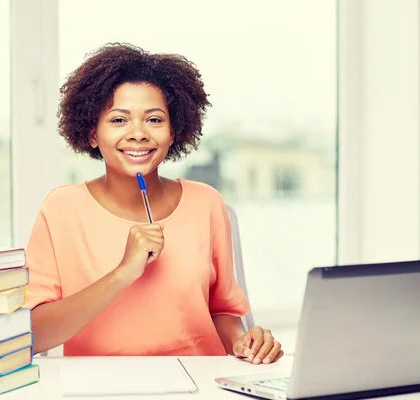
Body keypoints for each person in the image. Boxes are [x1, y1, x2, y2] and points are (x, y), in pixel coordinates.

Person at [25, 43, 283, 364]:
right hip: (101, 386)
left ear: (174, 132)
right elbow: (34, 335)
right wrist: (122, 274)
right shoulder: (62, 208)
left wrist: (245, 343)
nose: (138, 134)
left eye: (154, 120)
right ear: (92, 133)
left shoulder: (207, 203)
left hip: (202, 384)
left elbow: (222, 311)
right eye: (119, 120)